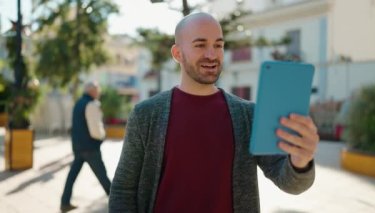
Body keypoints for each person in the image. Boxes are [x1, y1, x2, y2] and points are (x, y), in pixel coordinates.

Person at [109, 12, 319, 213]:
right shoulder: (146, 115)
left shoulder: (247, 115)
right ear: (177, 53)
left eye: (218, 45)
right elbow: (123, 190)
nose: (212, 54)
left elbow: (290, 182)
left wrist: (301, 160)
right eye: (200, 45)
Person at [61, 81, 111, 212]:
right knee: (103, 176)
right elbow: (95, 129)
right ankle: (118, 203)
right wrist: (102, 136)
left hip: (78, 147)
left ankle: (64, 203)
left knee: (71, 176)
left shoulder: (78, 103)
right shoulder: (92, 104)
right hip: (90, 148)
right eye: (97, 90)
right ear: (92, 91)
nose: (99, 92)